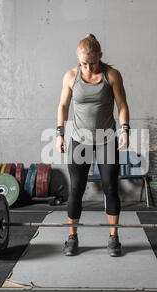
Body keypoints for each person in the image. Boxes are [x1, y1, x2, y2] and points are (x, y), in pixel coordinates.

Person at [56, 34, 131, 257]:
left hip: (107, 139)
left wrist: (125, 130)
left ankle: (114, 238)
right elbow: (62, 105)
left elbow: (122, 106)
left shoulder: (112, 75)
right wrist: (60, 134)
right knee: (77, 189)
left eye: (93, 63)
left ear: (100, 56)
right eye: (84, 64)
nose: (88, 68)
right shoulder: (70, 76)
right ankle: (72, 237)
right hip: (79, 140)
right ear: (78, 59)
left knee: (110, 187)